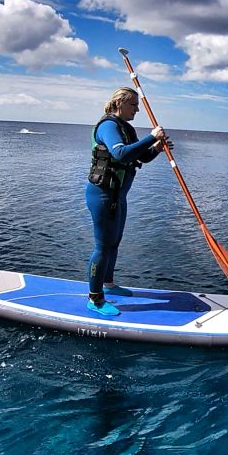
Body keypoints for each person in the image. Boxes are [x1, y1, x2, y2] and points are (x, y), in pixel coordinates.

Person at [85, 87, 170, 316]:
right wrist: (151, 136)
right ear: (119, 103)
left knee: (114, 242)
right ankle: (95, 299)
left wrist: (157, 147)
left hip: (119, 196)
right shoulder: (108, 126)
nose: (137, 109)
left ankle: (108, 284)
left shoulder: (127, 128)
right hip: (102, 195)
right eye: (133, 104)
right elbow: (120, 154)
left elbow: (141, 156)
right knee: (103, 246)